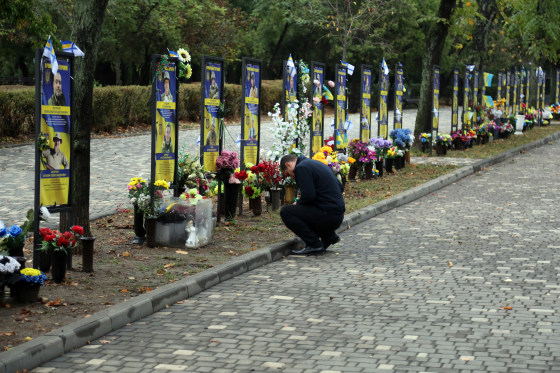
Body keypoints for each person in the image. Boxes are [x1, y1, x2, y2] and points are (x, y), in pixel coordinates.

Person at [279, 153, 345, 255]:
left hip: (328, 216)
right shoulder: (314, 163)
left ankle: (314, 245)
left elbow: (309, 195)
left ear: (288, 165)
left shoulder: (301, 168)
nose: (291, 177)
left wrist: (298, 204)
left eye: (287, 174)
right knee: (304, 210)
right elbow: (340, 187)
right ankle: (328, 236)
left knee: (287, 212)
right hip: (337, 214)